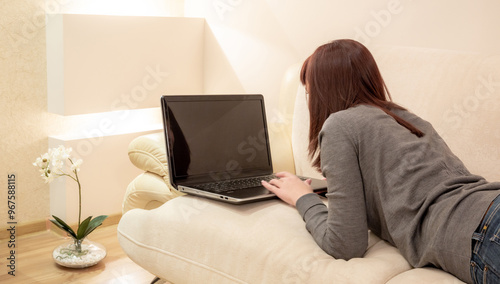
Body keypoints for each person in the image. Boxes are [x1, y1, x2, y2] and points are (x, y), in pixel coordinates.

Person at [261, 39, 500, 284]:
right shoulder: (407, 118)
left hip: (483, 230)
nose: (310, 101)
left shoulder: (338, 125)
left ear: (323, 92)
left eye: (310, 92)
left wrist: (304, 198)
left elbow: (344, 245)